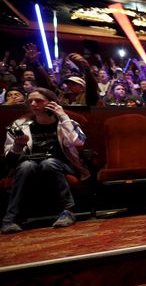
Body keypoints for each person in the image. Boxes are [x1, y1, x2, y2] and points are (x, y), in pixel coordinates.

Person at [2, 88, 89, 233]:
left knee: (49, 163)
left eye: (39, 101)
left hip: (62, 164)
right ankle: (10, 219)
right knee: (25, 166)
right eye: (30, 101)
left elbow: (78, 142)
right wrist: (18, 145)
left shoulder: (66, 122)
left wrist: (63, 116)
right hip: (30, 164)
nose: (34, 104)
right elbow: (9, 158)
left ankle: (67, 211)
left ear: (52, 103)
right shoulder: (19, 125)